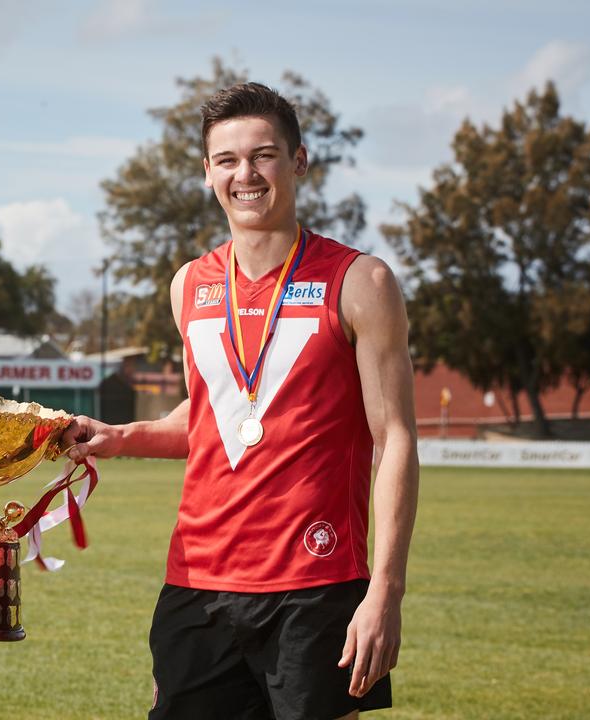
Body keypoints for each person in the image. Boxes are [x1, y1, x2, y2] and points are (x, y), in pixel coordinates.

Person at [67, 82, 419, 720]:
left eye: (263, 155)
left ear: (299, 162)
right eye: (227, 160)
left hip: (315, 586)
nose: (245, 174)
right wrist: (120, 437)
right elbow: (207, 420)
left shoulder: (361, 281)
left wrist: (384, 592)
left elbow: (394, 440)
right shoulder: (189, 286)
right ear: (207, 174)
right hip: (197, 583)